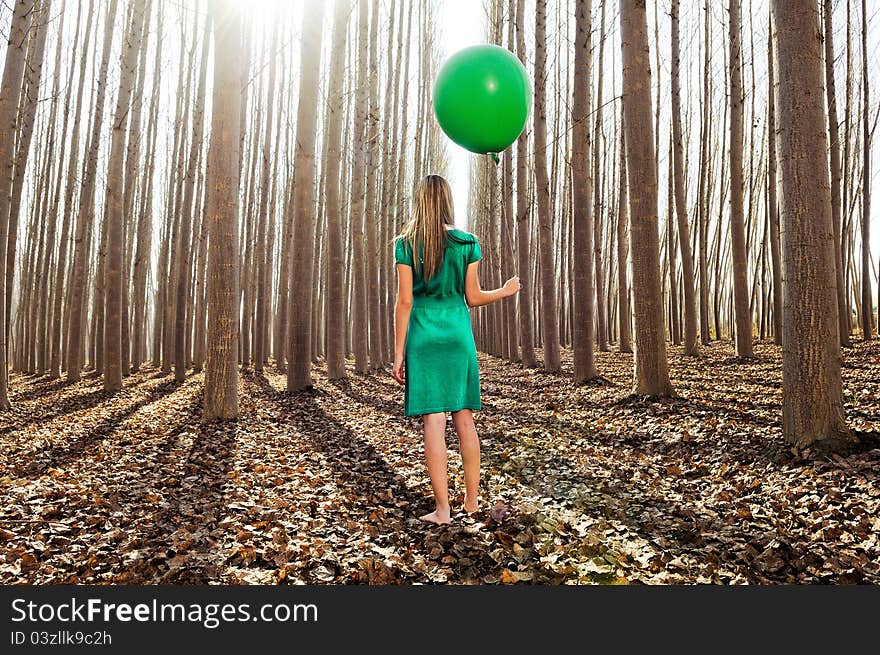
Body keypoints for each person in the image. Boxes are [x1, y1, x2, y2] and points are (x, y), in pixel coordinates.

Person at [392, 175, 520, 526]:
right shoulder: (467, 243)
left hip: (423, 336)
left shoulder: (405, 244)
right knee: (464, 418)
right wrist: (505, 291)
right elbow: (474, 297)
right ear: (448, 200)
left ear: (419, 201)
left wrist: (399, 351)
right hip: (458, 335)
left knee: (433, 420)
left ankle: (443, 511)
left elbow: (405, 301)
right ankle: (472, 502)